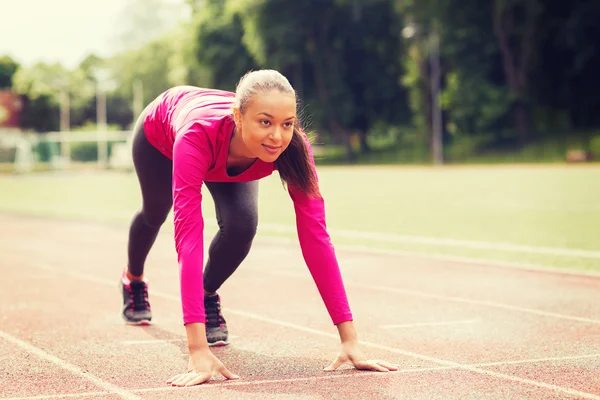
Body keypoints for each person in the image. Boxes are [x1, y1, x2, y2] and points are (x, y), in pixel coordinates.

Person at [120, 69, 398, 387]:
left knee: (242, 226)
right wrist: (197, 348)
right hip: (161, 136)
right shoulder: (196, 134)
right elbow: (188, 233)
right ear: (239, 117)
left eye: (287, 123)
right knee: (156, 212)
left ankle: (206, 292)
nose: (277, 136)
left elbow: (316, 236)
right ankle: (133, 280)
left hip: (233, 152)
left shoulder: (292, 147)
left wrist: (350, 340)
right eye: (265, 122)